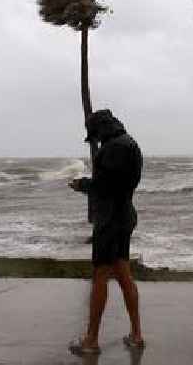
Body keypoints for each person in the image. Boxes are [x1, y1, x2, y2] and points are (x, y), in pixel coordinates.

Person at [68, 109, 145, 356]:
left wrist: (82, 185)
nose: (96, 141)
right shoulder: (132, 144)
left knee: (100, 275)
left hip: (110, 220)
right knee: (123, 273)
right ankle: (136, 334)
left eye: (95, 136)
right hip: (126, 215)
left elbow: (104, 186)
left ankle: (90, 341)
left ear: (99, 129)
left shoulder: (111, 149)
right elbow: (121, 184)